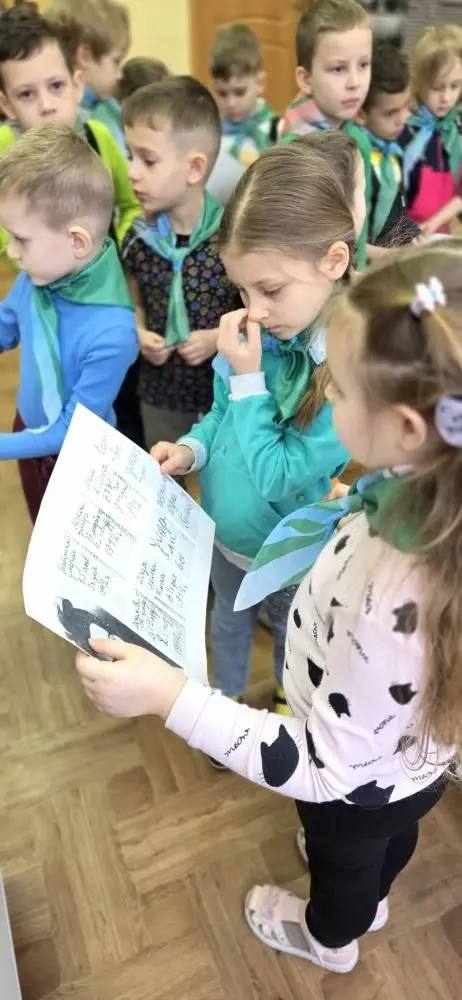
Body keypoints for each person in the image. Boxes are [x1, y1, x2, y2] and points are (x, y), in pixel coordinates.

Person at [76, 237, 458, 974]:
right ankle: (371, 896)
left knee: (344, 867)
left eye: (341, 389)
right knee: (388, 840)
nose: (328, 395)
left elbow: (318, 767)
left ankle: (330, 940)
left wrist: (170, 696)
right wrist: (348, 505)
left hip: (351, 786)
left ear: (407, 429)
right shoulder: (422, 498)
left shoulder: (389, 595)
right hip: (409, 770)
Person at [150, 132, 365, 720]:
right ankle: (220, 706)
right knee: (226, 618)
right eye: (243, 289)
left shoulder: (345, 375)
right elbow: (221, 418)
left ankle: (284, 711)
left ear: (334, 261)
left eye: (270, 288)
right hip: (223, 528)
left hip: (286, 552)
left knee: (291, 634)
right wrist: (191, 451)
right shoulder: (264, 333)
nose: (254, 308)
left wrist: (248, 380)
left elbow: (276, 475)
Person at [0, 125, 137, 521]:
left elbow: (69, 432)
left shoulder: (113, 335)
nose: (11, 252)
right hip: (27, 431)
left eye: (20, 239)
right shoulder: (38, 276)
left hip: (78, 460)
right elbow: (6, 327)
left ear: (77, 241)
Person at [121, 76, 241, 454]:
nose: (132, 171)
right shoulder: (137, 238)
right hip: (160, 394)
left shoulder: (233, 239)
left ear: (194, 169)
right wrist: (140, 332)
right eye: (130, 155)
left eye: (147, 160)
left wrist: (215, 339)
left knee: (222, 475)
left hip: (222, 394)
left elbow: (255, 312)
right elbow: (132, 301)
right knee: (163, 473)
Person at [0, 3, 139, 248]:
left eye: (56, 86)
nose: (46, 106)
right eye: (26, 94)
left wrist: (117, 250)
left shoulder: (98, 137)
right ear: (7, 105)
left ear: (77, 85)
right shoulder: (4, 149)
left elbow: (132, 205)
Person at [277, 0, 372, 268]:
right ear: (305, 79)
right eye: (338, 69)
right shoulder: (297, 153)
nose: (355, 82)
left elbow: (358, 230)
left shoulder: (356, 133)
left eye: (363, 64)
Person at [357, 41, 420, 247]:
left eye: (406, 107)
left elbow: (396, 210)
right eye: (390, 113)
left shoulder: (393, 148)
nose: (402, 119)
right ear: (361, 114)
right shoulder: (357, 159)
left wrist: (411, 234)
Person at [403, 25, 462, 236]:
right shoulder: (402, 127)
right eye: (437, 87)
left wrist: (436, 221)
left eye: (454, 86)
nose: (446, 97)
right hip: (400, 234)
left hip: (439, 231)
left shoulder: (458, 129)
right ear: (419, 82)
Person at [48, 0, 130, 152]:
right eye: (116, 61)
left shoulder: (109, 108)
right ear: (85, 55)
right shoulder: (65, 120)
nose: (120, 74)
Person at [210, 23, 278, 169]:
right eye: (222, 93)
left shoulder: (276, 129)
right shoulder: (212, 131)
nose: (231, 103)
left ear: (260, 83)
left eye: (240, 92)